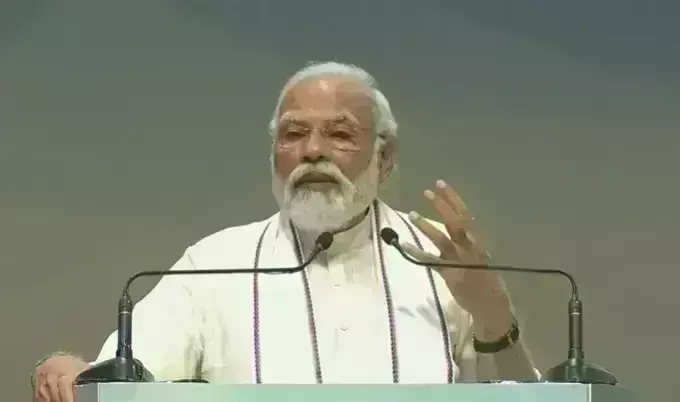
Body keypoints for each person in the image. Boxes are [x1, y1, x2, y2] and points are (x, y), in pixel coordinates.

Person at [33, 61, 539, 402]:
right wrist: (75, 373)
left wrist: (493, 314)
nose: (312, 150)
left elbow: (523, 395)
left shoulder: (439, 258)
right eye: (293, 134)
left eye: (339, 133)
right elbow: (127, 372)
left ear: (384, 159)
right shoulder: (215, 264)